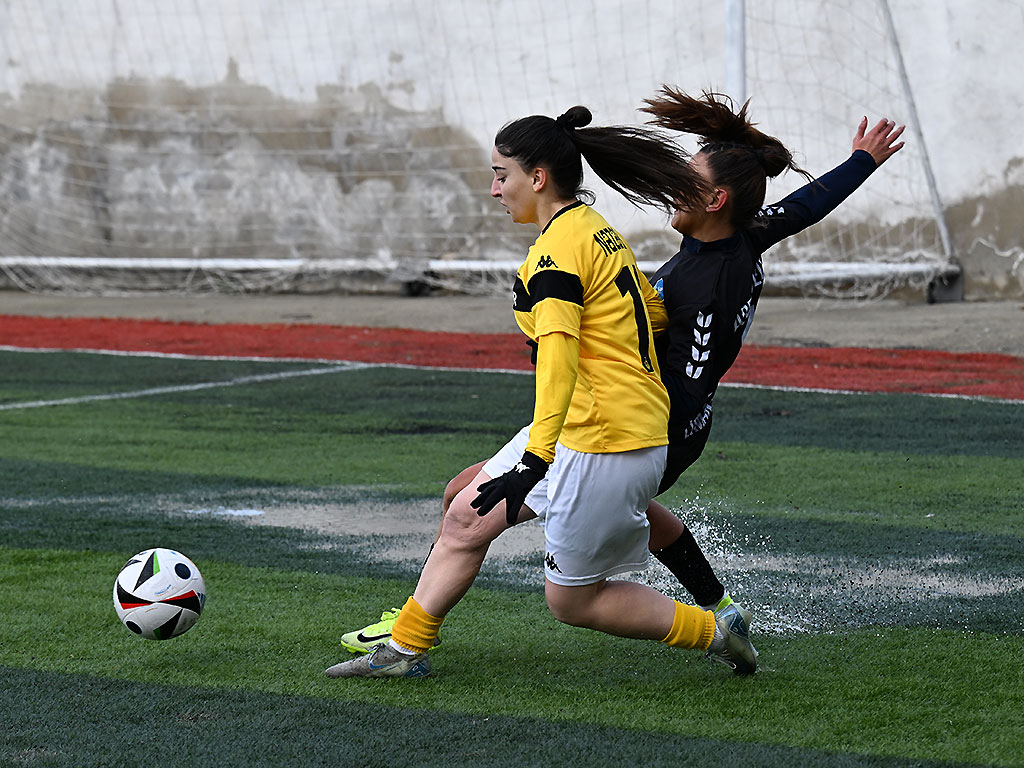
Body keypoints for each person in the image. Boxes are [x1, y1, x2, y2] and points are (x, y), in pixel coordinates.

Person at [330, 92, 907, 677]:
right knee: (467, 501)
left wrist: (608, 403)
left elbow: (682, 377)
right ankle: (411, 632)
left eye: (501, 176)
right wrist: (862, 161)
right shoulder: (729, 238)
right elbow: (803, 207)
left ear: (716, 200)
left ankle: (712, 624)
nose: (672, 187)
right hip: (607, 413)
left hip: (649, 423)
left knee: (578, 565)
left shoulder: (708, 281)